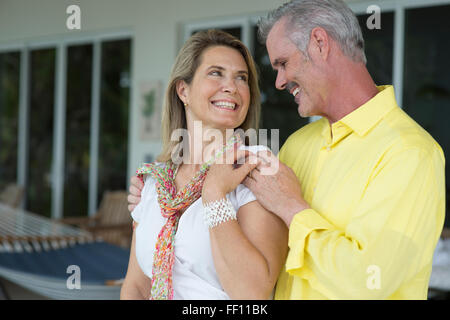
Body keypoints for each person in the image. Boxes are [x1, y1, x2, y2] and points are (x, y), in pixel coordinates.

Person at [129, 0, 446, 300]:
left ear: (320, 43)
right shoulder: (297, 145)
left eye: (282, 63)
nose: (278, 82)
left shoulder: (410, 154)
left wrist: (291, 208)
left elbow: (367, 282)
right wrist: (157, 197)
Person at [120, 30, 288, 300]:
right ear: (183, 90)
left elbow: (252, 294)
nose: (231, 87)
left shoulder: (255, 165)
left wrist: (214, 195)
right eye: (216, 73)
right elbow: (137, 286)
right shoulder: (155, 183)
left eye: (241, 78)